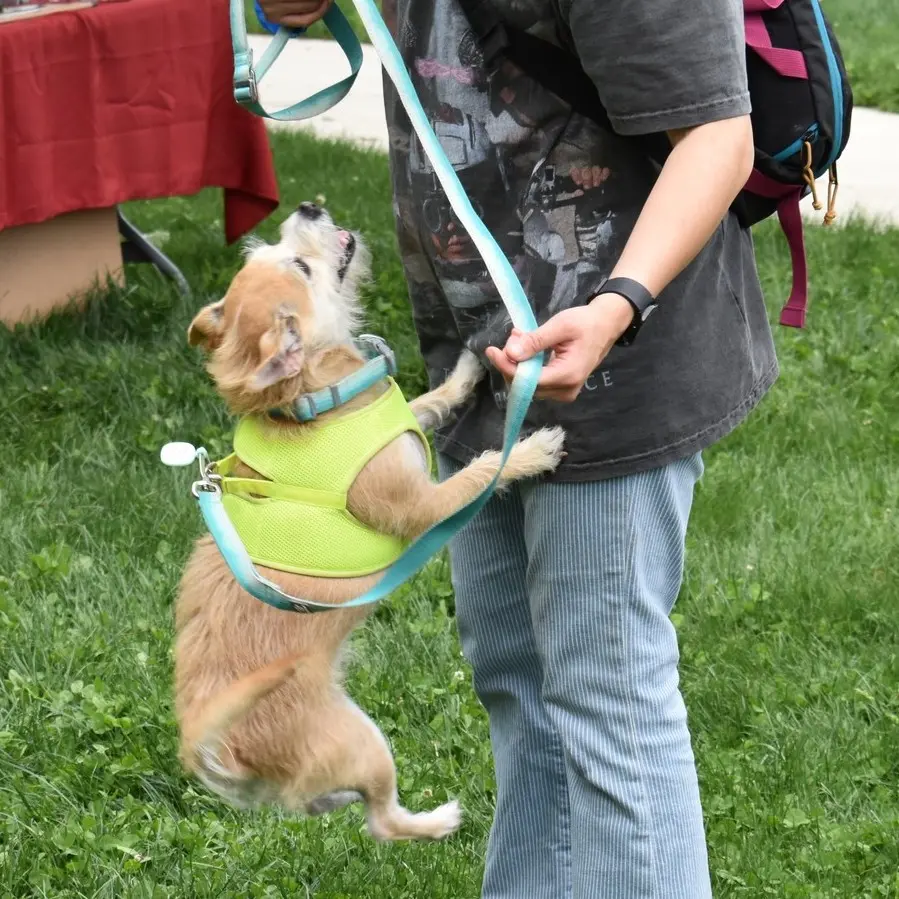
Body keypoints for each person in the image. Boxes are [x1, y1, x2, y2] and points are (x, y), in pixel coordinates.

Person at [257, 1, 778, 896]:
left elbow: (719, 140)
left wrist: (615, 306)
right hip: (476, 348)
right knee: (517, 680)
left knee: (604, 697)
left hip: (614, 353)